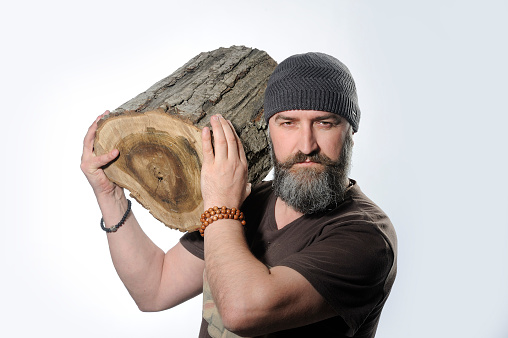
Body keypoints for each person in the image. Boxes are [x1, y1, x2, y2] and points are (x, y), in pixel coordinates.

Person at [81, 52, 397, 338]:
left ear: (350, 133)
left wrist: (219, 206)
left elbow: (241, 311)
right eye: (288, 123)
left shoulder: (366, 239)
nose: (306, 145)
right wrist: (110, 196)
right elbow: (154, 288)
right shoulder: (243, 200)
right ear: (268, 130)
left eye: (325, 123)